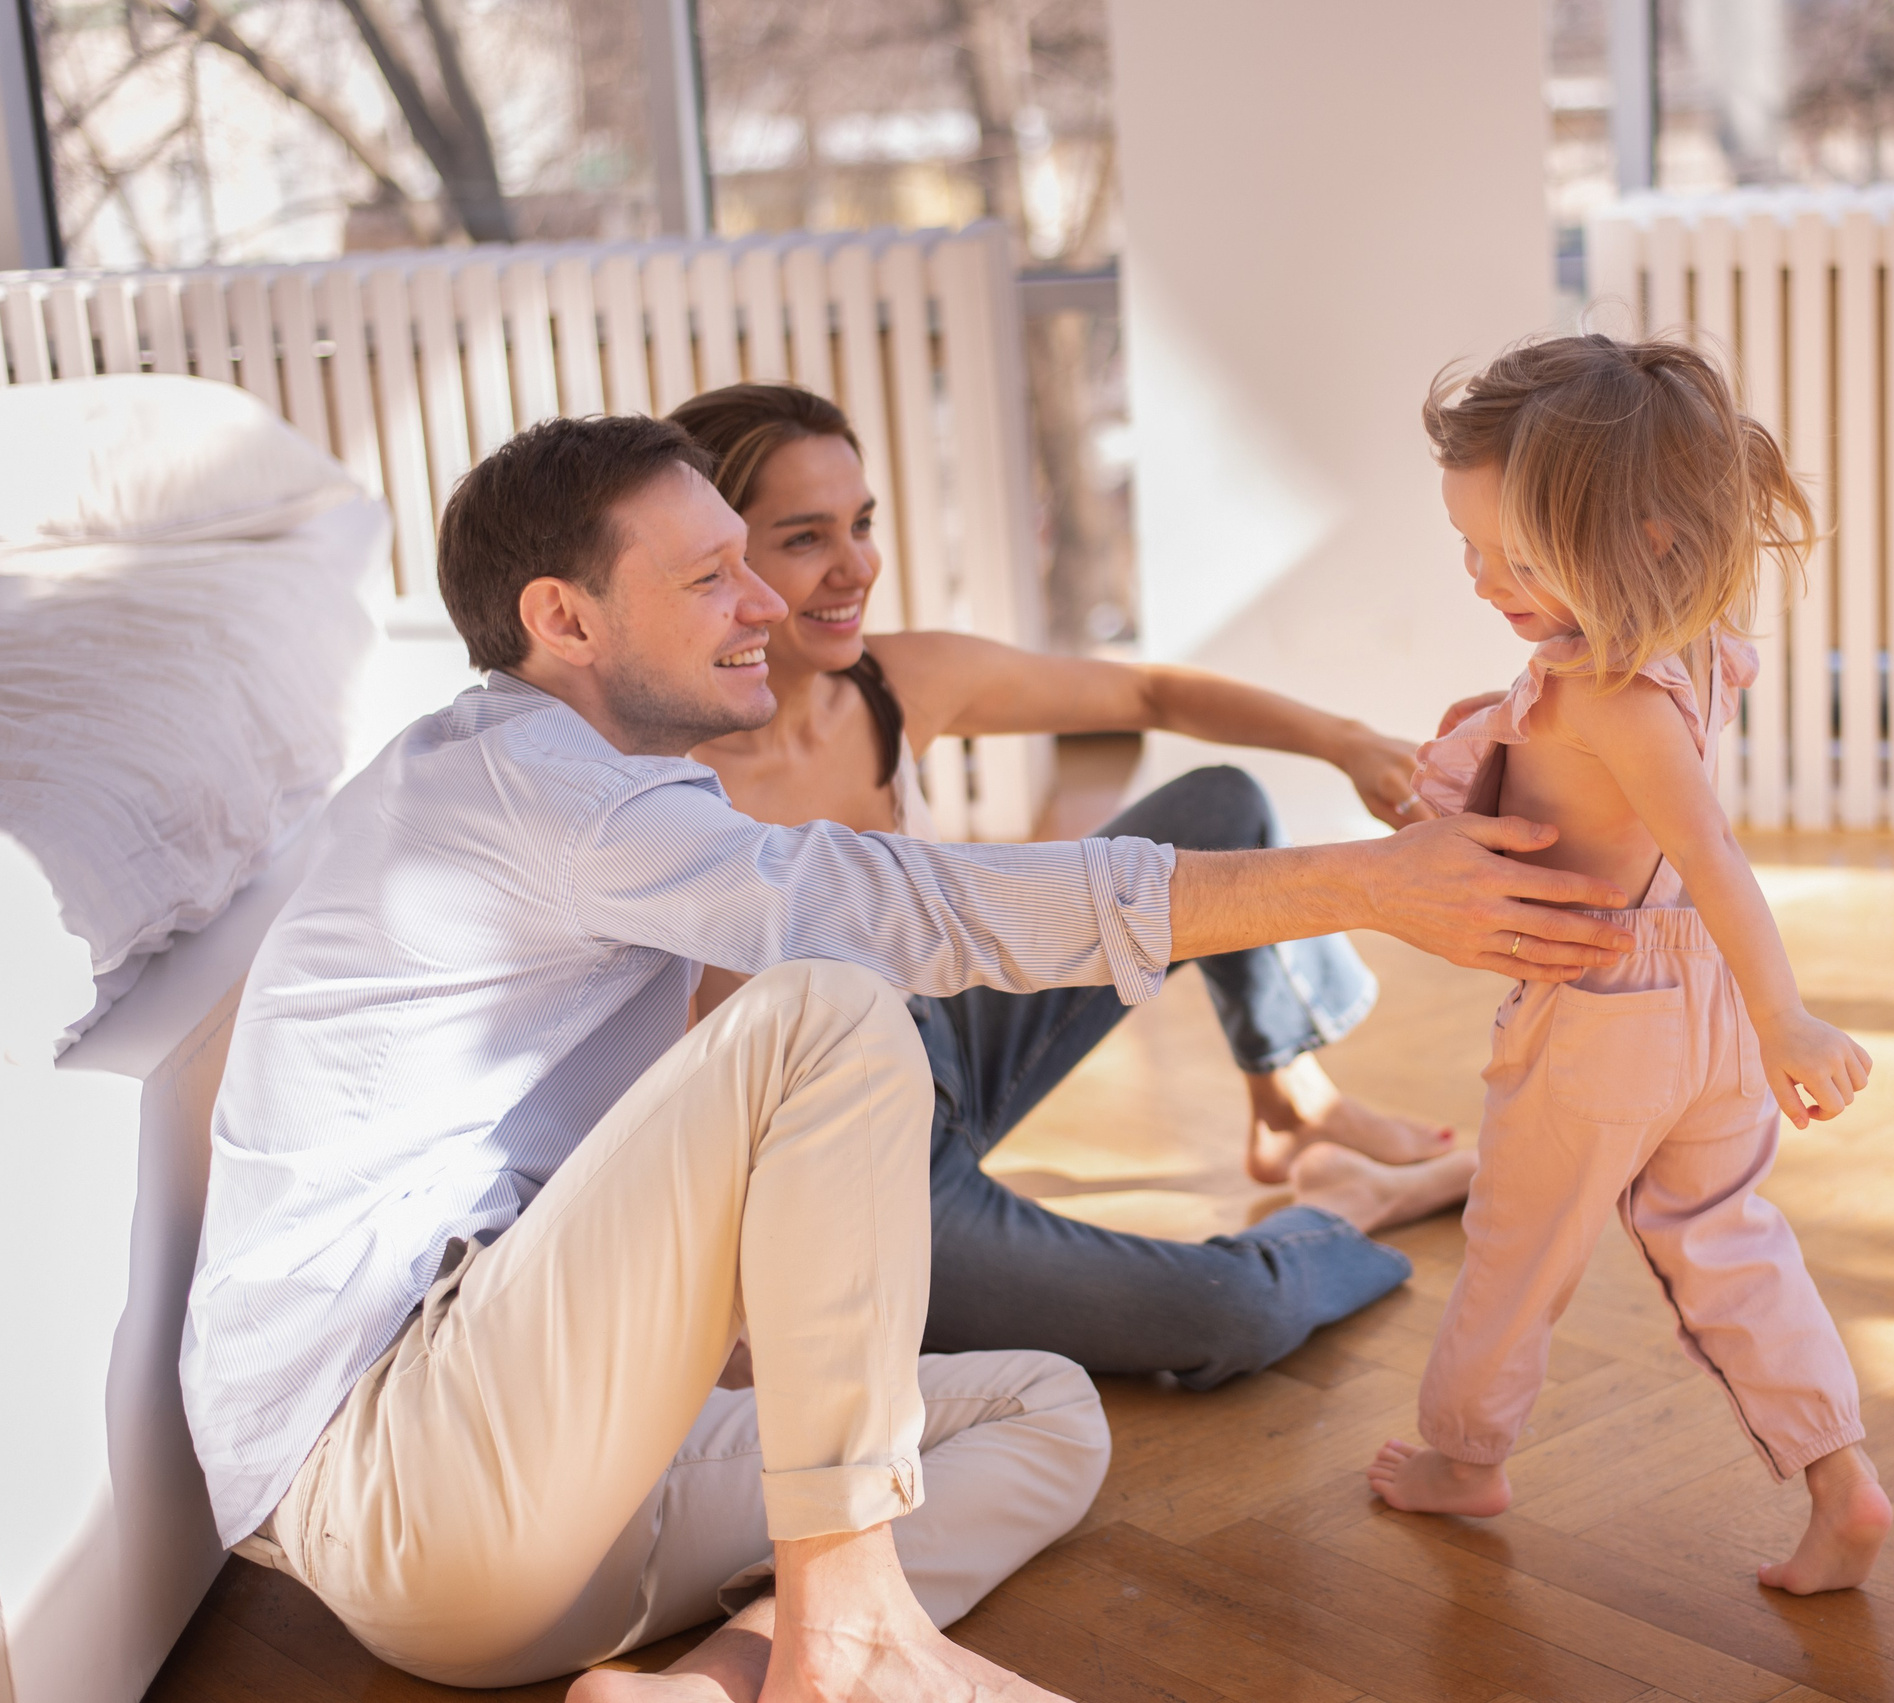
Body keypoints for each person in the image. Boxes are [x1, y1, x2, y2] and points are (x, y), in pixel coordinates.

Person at [180, 412, 1639, 1703]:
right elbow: (892, 913)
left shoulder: (610, 782)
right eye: (714, 575)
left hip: (528, 1539)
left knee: (1047, 1413)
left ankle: (724, 1678)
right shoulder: (533, 786)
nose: (766, 598)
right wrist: (1373, 882)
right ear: (563, 616)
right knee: (832, 1002)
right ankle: (855, 1632)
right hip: (397, 1470)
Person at [666, 383, 1476, 1389]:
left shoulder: (888, 684)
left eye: (861, 523)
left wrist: (1351, 742)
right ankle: (1342, 1213)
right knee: (1233, 1312)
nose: (858, 564)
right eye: (804, 538)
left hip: (943, 1044)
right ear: (719, 561)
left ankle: (1292, 1104)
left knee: (1217, 806)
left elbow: (1148, 691)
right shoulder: (669, 792)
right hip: (854, 1179)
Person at [1361, 336, 1891, 1597]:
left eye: (1522, 559)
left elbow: (1705, 849)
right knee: (1728, 1235)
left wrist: (1794, 1019)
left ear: (1645, 537)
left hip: (1602, 1006)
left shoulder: (1602, 691)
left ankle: (1463, 1454)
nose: (1488, 581)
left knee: (1517, 1249)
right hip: (1698, 1002)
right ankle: (1839, 1476)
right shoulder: (1693, 648)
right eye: (1471, 549)